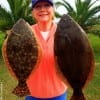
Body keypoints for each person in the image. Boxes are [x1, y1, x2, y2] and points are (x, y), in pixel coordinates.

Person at [26, 0, 68, 100]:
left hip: (58, 93)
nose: (42, 9)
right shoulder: (26, 33)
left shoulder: (65, 33)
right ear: (33, 12)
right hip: (32, 93)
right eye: (38, 6)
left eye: (47, 5)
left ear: (53, 9)